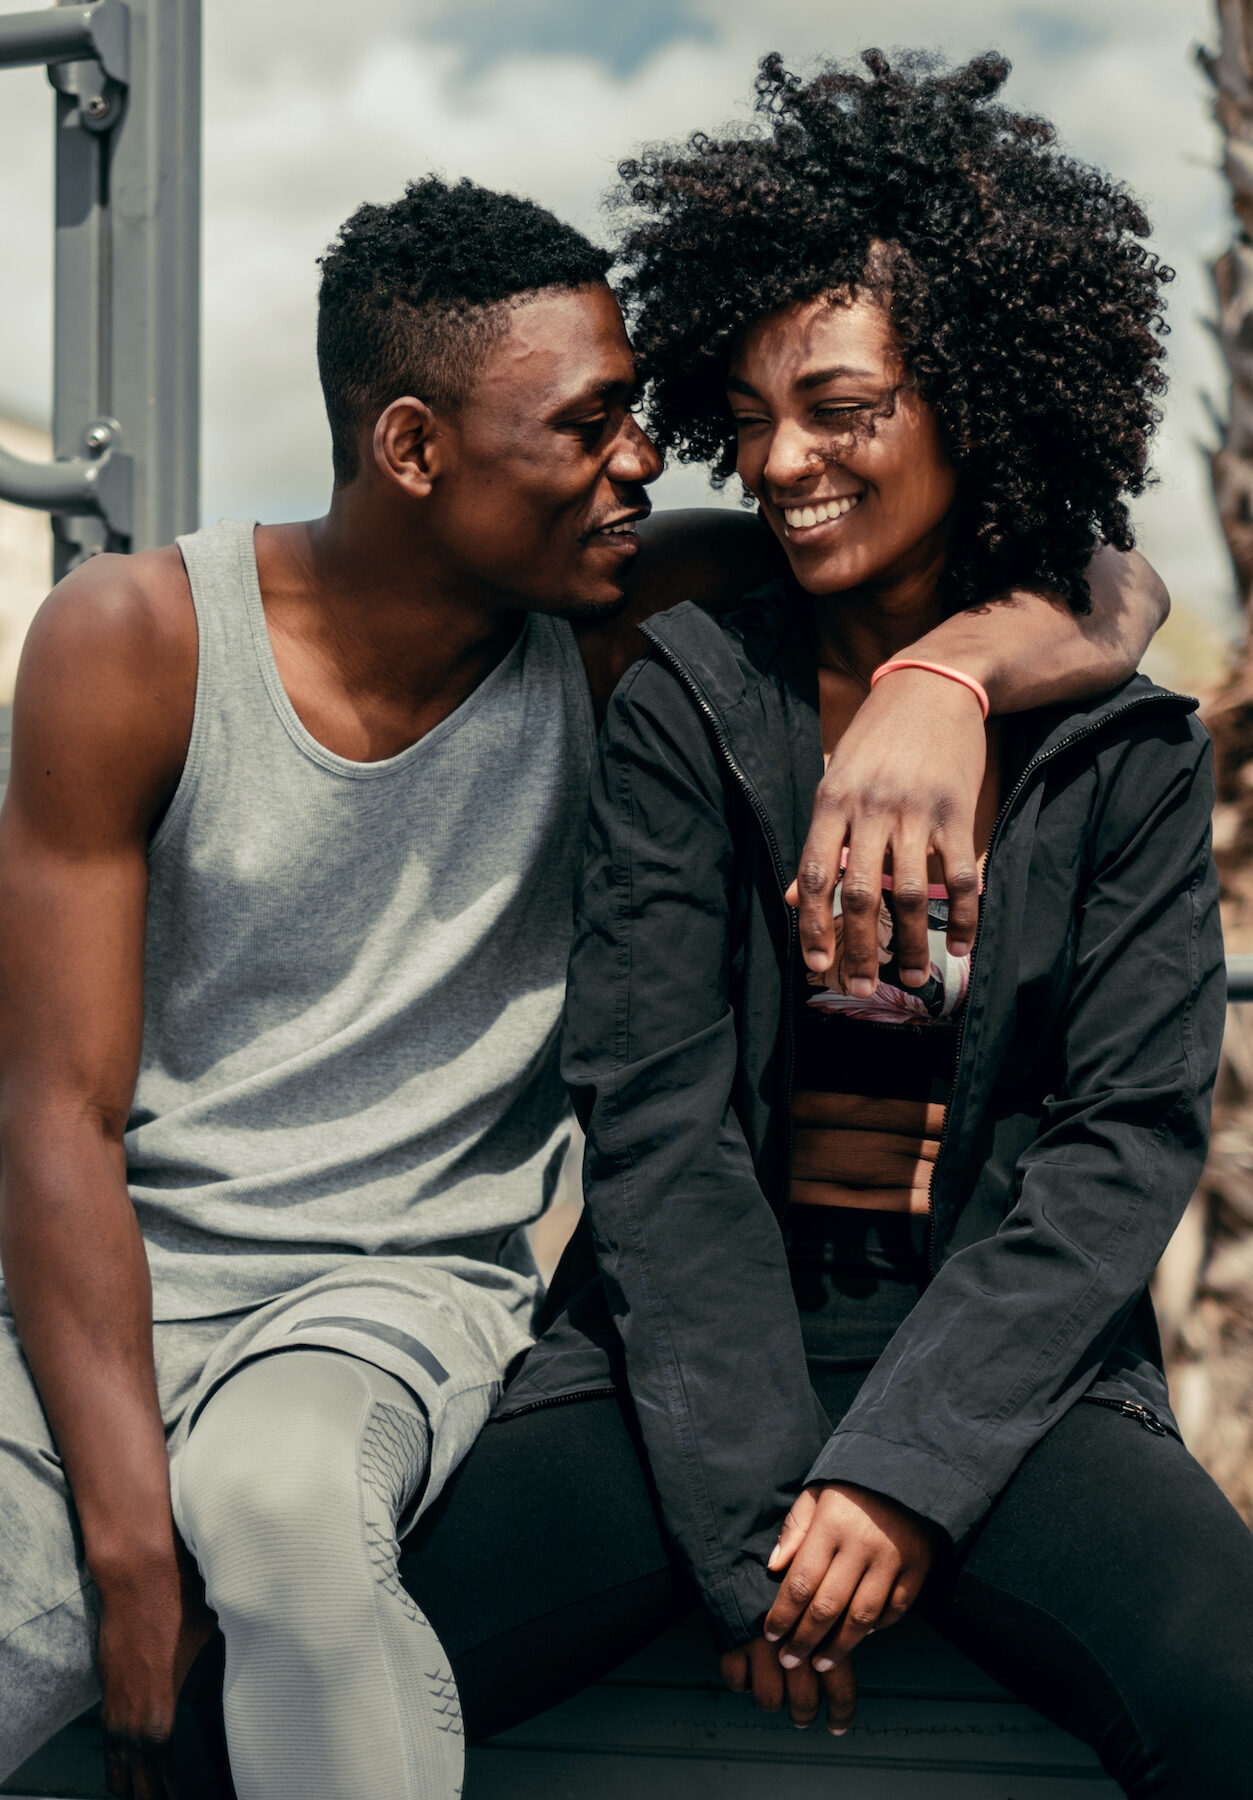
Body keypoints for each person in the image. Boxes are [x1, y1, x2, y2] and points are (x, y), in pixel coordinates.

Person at [0, 171, 1165, 1800]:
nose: (659, 460)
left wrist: (941, 676)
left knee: (286, 1536)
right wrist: (126, 1546)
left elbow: (1108, 584)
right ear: (413, 448)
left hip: (392, 1314)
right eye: (598, 421)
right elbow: (50, 1109)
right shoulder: (142, 637)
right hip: (133, 1301)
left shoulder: (620, 616)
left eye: (644, 412)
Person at [499, 49, 1253, 1800]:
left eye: (842, 407)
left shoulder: (1126, 747)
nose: (783, 461)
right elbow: (656, 1112)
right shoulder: (691, 691)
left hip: (1007, 1355)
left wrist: (904, 1472)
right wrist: (760, 1516)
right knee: (328, 1670)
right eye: (755, 415)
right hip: (678, 1349)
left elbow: (1121, 1141)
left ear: (977, 395)